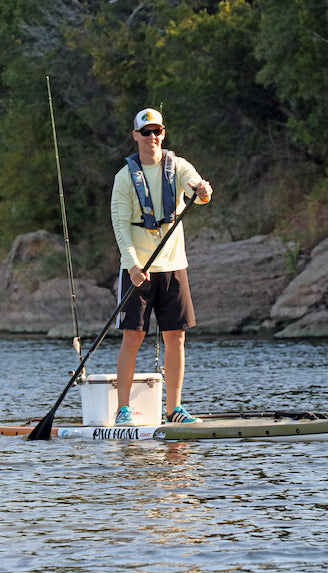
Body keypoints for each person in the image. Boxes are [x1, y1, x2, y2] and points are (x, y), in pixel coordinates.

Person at [110, 107, 213, 427]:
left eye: (157, 132)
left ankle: (175, 409)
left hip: (173, 265)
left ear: (163, 134)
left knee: (176, 337)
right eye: (145, 132)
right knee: (133, 337)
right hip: (138, 269)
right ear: (135, 136)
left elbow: (197, 189)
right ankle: (123, 410)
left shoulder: (179, 166)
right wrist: (133, 265)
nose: (152, 137)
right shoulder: (125, 177)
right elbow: (119, 223)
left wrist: (203, 190)